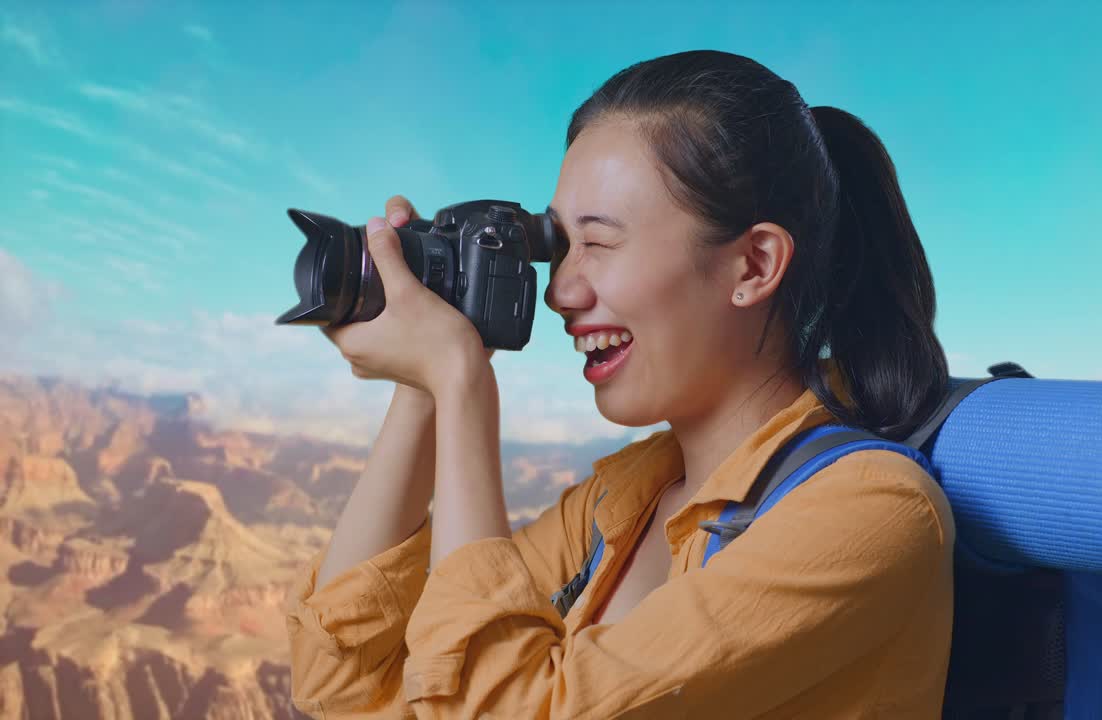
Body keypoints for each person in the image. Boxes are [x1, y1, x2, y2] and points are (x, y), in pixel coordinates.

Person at [285, 49, 956, 719]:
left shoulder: (871, 512)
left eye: (599, 243)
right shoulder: (623, 500)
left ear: (753, 265)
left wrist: (459, 378)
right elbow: (346, 687)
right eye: (559, 244)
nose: (562, 291)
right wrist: (423, 373)